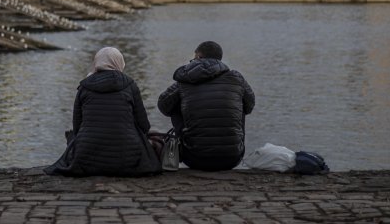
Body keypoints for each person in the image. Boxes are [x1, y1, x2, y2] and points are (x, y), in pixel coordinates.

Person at [45, 47, 162, 177]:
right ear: (119, 62)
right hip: (128, 157)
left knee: (72, 136)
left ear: (97, 63)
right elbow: (144, 125)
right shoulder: (130, 85)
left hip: (86, 158)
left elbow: (77, 127)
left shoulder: (84, 87)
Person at [158, 41, 255, 171]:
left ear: (198, 56)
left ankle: (189, 141)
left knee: (174, 104)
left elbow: (163, 106)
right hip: (232, 158)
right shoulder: (236, 78)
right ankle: (230, 144)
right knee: (239, 104)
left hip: (194, 158)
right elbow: (249, 107)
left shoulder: (185, 80)